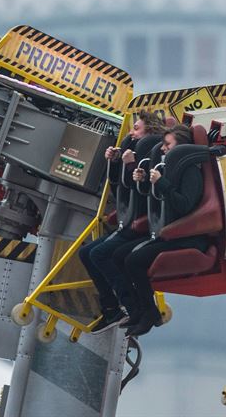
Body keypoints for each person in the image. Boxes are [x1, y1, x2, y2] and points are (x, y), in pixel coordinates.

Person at [79, 111, 165, 333]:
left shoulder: (150, 155)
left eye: (136, 128)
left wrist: (129, 164)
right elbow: (117, 184)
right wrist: (115, 162)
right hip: (127, 219)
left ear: (150, 130)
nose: (131, 132)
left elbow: (139, 188)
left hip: (139, 223)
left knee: (100, 254)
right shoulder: (138, 150)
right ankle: (111, 308)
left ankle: (131, 307)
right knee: (87, 252)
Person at [119, 125, 208, 337]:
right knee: (121, 256)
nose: (164, 149)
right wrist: (143, 178)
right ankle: (139, 310)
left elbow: (184, 205)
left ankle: (149, 313)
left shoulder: (191, 172)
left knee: (134, 260)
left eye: (168, 145)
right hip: (170, 231)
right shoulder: (171, 168)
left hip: (187, 237)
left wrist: (161, 183)